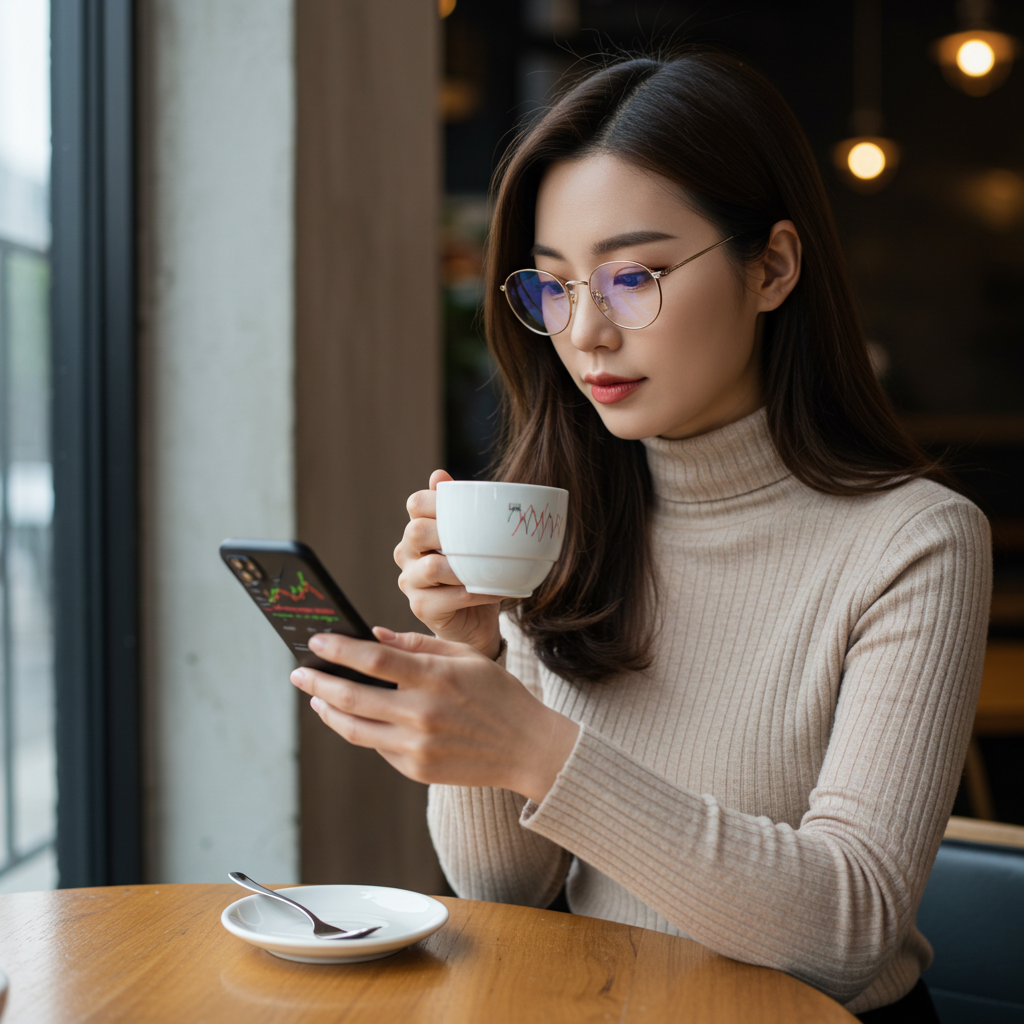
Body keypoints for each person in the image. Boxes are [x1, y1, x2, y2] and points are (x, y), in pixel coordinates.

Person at [289, 51, 991, 1022]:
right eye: (554, 287)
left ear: (773, 266)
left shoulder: (913, 542)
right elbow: (505, 887)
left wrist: (536, 746)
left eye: (633, 277)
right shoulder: (562, 519)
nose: (585, 333)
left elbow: (845, 931)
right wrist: (475, 648)